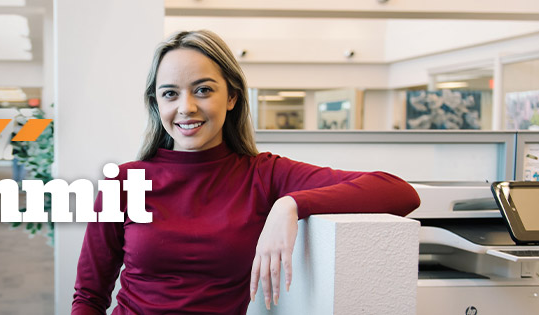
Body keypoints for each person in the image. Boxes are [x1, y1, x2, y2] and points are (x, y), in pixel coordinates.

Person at [71, 30, 420, 314]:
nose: (186, 107)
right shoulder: (124, 182)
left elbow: (398, 191)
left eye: (203, 90)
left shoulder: (264, 174)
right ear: (157, 103)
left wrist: (290, 204)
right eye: (170, 94)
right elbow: (89, 297)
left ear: (233, 96)